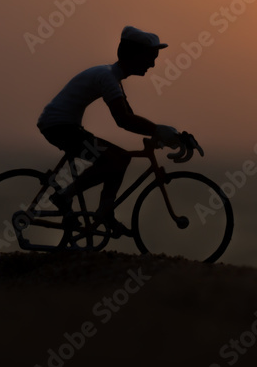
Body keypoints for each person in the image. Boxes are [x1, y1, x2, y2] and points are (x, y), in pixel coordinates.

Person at [36, 26, 186, 231]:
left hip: (63, 126)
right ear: (135, 55)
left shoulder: (112, 77)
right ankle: (64, 196)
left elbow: (129, 117)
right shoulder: (107, 77)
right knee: (115, 158)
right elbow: (123, 119)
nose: (152, 64)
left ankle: (104, 212)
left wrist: (158, 134)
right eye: (150, 57)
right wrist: (158, 130)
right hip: (59, 127)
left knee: (121, 158)